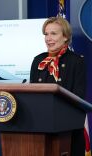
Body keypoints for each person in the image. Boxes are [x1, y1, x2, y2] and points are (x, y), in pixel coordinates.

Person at [30, 17, 86, 156]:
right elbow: (32, 94)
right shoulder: (38, 60)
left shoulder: (76, 61)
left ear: (65, 37)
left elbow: (77, 98)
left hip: (67, 131)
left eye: (53, 34)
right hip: (40, 128)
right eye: (46, 34)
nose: (48, 38)